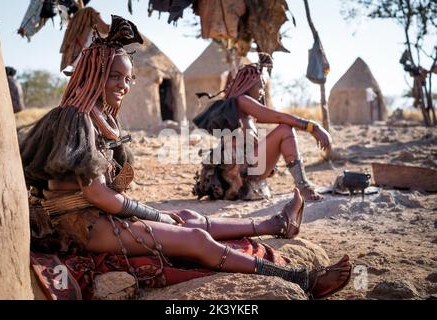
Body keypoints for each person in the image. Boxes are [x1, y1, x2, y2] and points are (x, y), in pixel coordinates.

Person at [20, 15, 351, 299]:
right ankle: (304, 281)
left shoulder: (97, 117)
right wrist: (154, 216)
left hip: (100, 215)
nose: (123, 85)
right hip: (81, 225)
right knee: (193, 237)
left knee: (186, 216)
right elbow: (96, 194)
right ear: (92, 75)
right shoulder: (74, 118)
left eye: (127, 78)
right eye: (114, 76)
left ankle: (275, 224)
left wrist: (161, 216)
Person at [193, 56, 332, 202]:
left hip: (244, 171)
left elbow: (268, 117)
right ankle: (303, 187)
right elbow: (279, 118)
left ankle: (302, 186)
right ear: (249, 84)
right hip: (239, 174)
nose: (262, 91)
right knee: (285, 130)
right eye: (260, 86)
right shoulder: (242, 101)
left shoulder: (241, 111)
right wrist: (313, 127)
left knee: (283, 130)